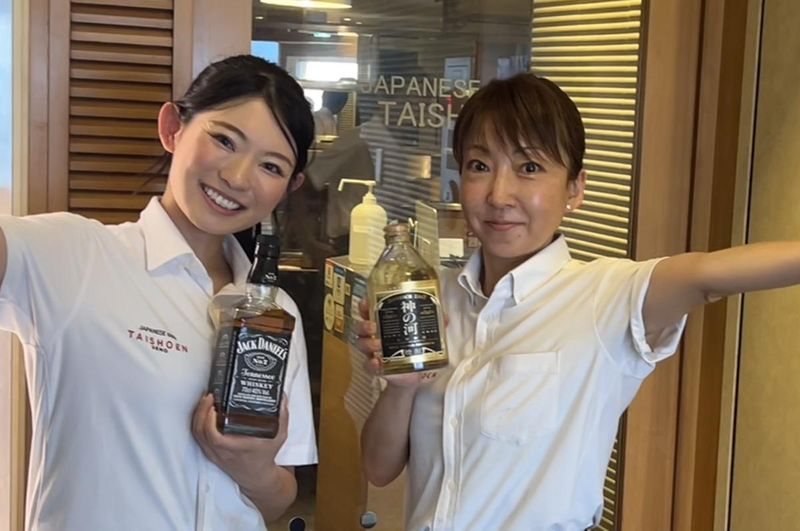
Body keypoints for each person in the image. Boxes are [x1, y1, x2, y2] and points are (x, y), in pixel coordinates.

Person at [355, 72, 800, 530]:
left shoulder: (604, 296)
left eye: (529, 167)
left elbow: (708, 275)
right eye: (479, 165)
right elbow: (379, 469)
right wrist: (401, 386)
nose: (498, 195)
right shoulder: (433, 298)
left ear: (575, 188)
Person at [0, 55, 317, 530]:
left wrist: (251, 468)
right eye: (225, 140)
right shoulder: (75, 255)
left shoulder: (276, 311)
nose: (237, 178)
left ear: (289, 187)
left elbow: (276, 500)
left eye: (270, 166)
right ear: (173, 128)